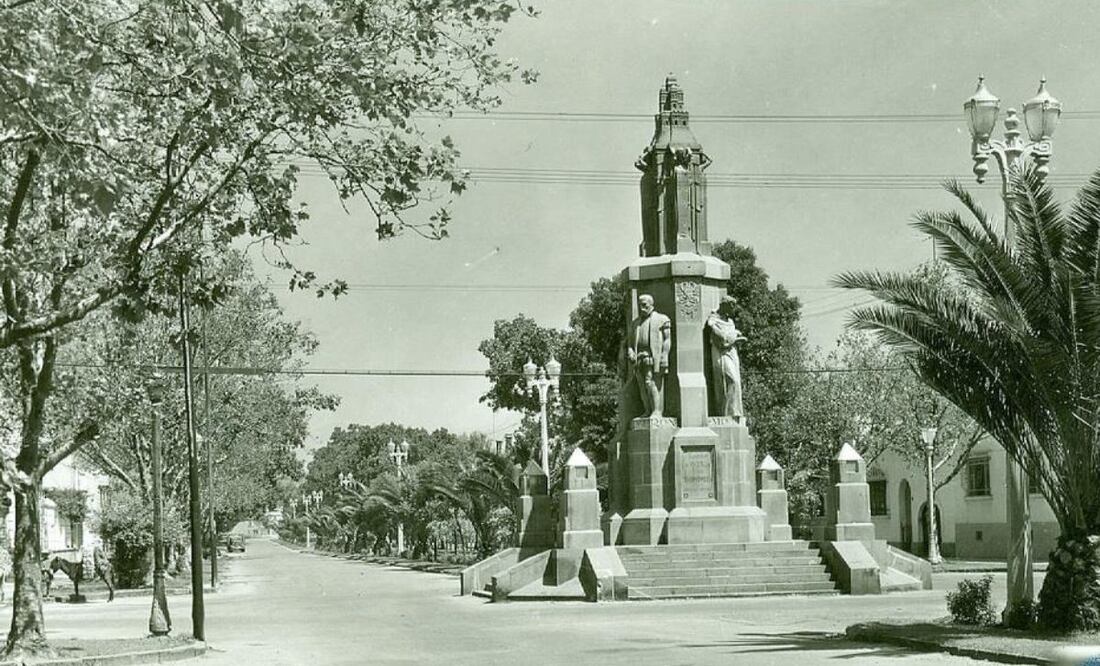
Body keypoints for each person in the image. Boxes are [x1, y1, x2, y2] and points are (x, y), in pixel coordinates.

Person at [626, 294, 671, 417]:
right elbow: (630, 343)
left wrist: (664, 356)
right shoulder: (635, 323)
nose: (641, 308)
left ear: (651, 304)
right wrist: (630, 352)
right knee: (641, 386)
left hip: (652, 357)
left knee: (650, 383)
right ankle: (647, 410)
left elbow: (667, 340)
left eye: (644, 305)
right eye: (640, 305)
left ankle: (657, 411)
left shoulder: (662, 319)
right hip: (638, 359)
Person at [706, 295, 746, 421]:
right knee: (730, 379)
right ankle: (725, 414)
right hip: (722, 355)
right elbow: (722, 339)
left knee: (736, 381)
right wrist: (735, 336)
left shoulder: (730, 322)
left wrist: (734, 336)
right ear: (724, 306)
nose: (733, 310)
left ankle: (734, 412)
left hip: (732, 354)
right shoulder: (713, 321)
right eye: (731, 307)